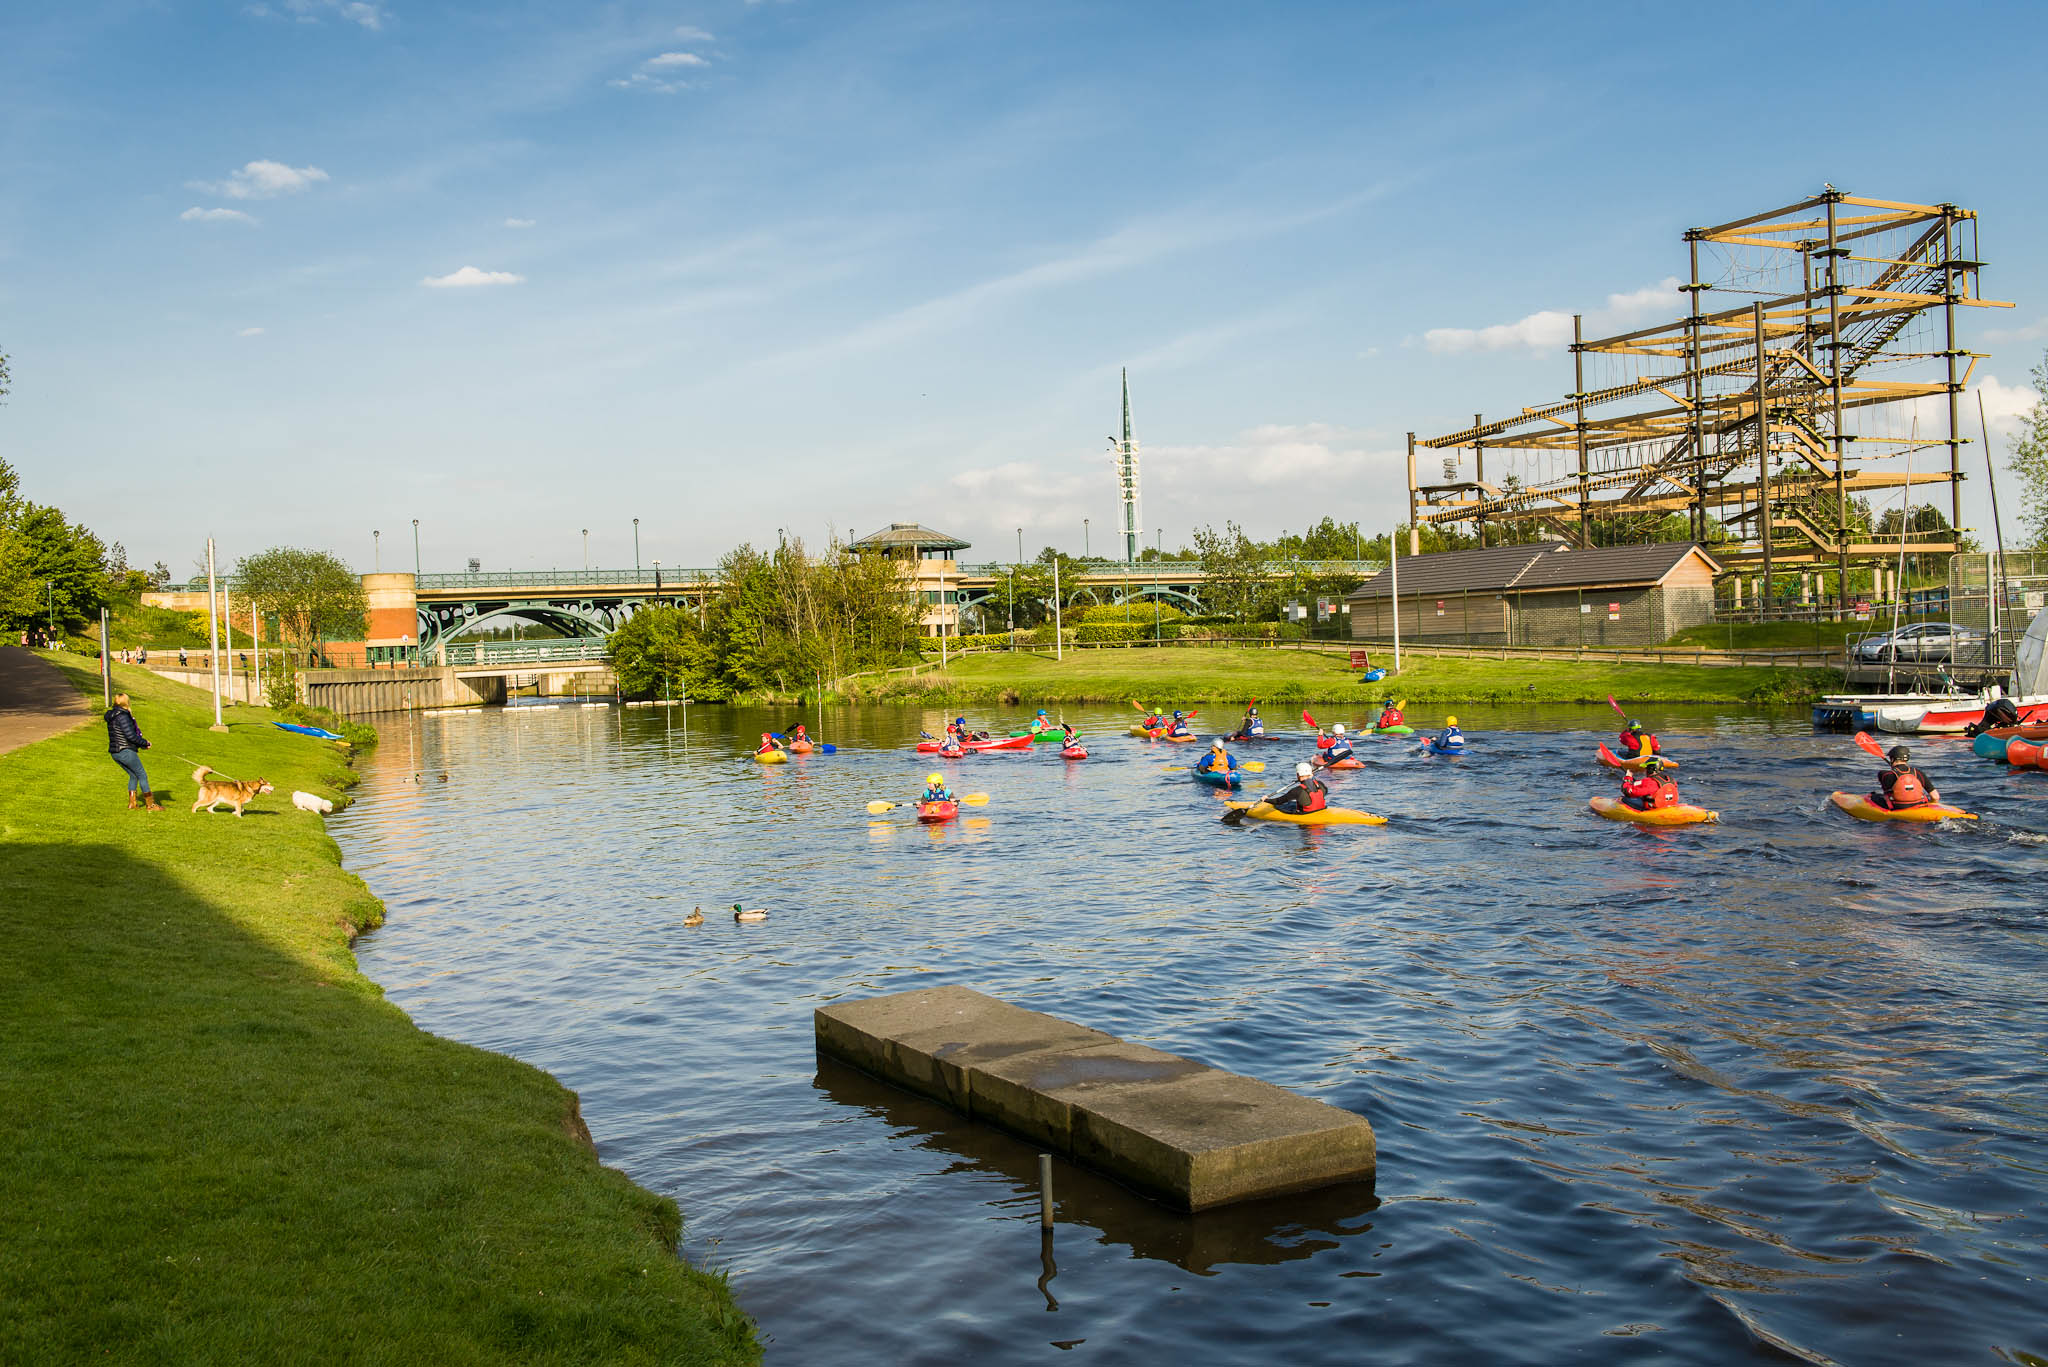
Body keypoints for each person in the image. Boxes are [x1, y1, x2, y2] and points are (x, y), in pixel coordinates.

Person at [105, 693, 162, 812]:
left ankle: (133, 804)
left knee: (133, 775)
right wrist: (145, 742)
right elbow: (130, 736)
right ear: (126, 702)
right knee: (142, 775)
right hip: (125, 751)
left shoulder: (112, 715)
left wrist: (141, 744)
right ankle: (150, 805)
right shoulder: (123, 716)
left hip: (115, 752)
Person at [1871, 745, 1941, 811]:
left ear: (1892, 759)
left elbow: (1886, 789)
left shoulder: (1885, 774)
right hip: (1919, 805)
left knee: (1873, 796)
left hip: (1896, 807)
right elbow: (1935, 796)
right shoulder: (1918, 773)